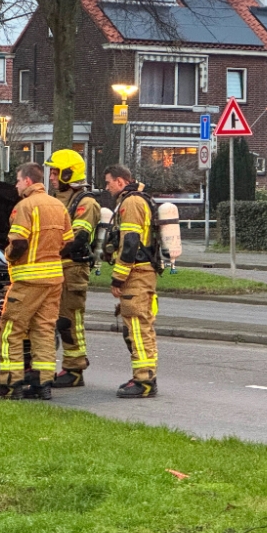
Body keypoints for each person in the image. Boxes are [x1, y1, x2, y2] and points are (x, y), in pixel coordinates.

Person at [0, 163, 73, 400]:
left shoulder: (24, 207)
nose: (15, 185)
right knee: (44, 330)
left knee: (10, 330)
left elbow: (19, 244)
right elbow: (68, 243)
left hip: (28, 280)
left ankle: (9, 384)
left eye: (17, 180)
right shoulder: (58, 206)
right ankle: (43, 384)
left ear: (27, 181)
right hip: (53, 279)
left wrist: (8, 256)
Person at [45, 149, 101, 388]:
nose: (51, 177)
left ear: (69, 173)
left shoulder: (85, 203)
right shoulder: (57, 200)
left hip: (72, 270)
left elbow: (78, 238)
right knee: (55, 320)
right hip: (55, 269)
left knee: (69, 320)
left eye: (55, 172)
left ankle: (74, 368)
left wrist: (48, 252)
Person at [104, 164, 160, 398]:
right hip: (141, 273)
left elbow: (130, 243)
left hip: (137, 274)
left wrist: (118, 278)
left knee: (137, 327)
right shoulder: (135, 200)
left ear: (120, 181)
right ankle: (145, 376)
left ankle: (144, 381)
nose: (106, 187)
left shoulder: (131, 203)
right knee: (137, 326)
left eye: (108, 182)